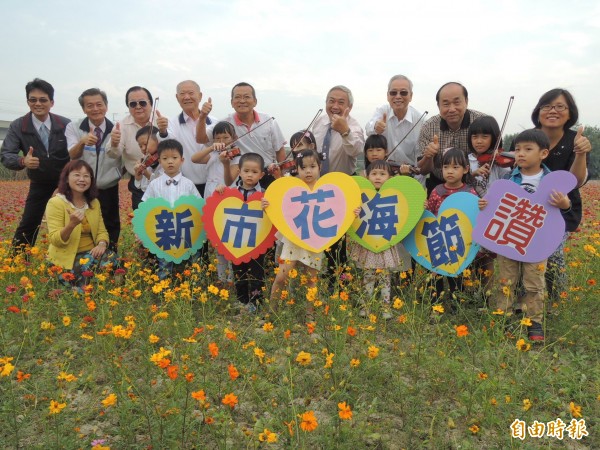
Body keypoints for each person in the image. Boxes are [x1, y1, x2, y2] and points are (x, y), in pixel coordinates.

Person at [480, 129, 572, 341]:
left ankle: (535, 321)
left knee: (534, 281)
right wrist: (485, 204)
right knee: (507, 279)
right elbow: (496, 203)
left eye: (528, 149)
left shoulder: (551, 179)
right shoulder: (507, 177)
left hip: (538, 241)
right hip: (510, 238)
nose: (520, 153)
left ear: (543, 154)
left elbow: (565, 206)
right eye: (518, 149)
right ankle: (504, 316)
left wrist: (564, 203)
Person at [527, 89, 592, 300]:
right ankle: (525, 296)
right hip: (528, 208)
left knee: (552, 254)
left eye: (560, 107)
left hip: (561, 208)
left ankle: (557, 300)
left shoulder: (577, 140)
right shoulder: (528, 138)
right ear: (538, 112)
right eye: (547, 106)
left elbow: (576, 181)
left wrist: (581, 153)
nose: (553, 111)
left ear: (569, 113)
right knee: (523, 253)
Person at [0, 78, 71, 249]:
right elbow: (6, 154)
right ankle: (19, 260)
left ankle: (78, 261)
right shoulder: (18, 125)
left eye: (43, 100)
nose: (38, 103)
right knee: (29, 222)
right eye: (33, 100)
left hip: (67, 181)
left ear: (51, 102)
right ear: (27, 101)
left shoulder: (65, 124)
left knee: (73, 220)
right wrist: (22, 160)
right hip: (39, 182)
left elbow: (78, 153)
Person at [312, 85, 365, 288]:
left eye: (340, 102)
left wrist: (345, 132)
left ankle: (338, 280)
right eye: (331, 101)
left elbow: (356, 150)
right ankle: (317, 276)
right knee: (317, 232)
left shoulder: (354, 126)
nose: (335, 106)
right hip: (317, 186)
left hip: (342, 187)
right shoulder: (318, 122)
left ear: (349, 106)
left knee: (337, 237)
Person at [263, 149, 326, 318]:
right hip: (293, 238)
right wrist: (267, 204)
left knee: (311, 279)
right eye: (303, 167)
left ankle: (309, 315)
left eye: (312, 166)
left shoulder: (326, 188)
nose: (308, 171)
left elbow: (340, 209)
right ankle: (272, 312)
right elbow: (277, 204)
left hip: (315, 238)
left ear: (320, 167)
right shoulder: (291, 187)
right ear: (296, 169)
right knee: (281, 276)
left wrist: (353, 211)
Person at [348, 160, 409, 319]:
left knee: (385, 277)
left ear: (389, 178)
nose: (378, 177)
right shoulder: (361, 195)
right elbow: (357, 216)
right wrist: (355, 212)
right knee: (367, 276)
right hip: (368, 242)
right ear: (366, 176)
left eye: (382, 174)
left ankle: (385, 307)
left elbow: (404, 212)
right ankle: (366, 306)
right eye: (374, 174)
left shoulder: (394, 195)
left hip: (385, 243)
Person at [196, 82, 286, 187]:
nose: (242, 101)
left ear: (255, 101)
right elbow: (201, 139)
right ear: (232, 102)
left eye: (247, 97)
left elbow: (280, 151)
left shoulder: (269, 121)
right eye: (237, 97)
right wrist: (202, 117)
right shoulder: (226, 123)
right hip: (241, 178)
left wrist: (282, 177)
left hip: (267, 174)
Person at [66, 88, 122, 249]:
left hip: (108, 185)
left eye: (99, 104)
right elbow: (72, 154)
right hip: (82, 187)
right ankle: (84, 258)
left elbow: (124, 157)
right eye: (89, 105)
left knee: (110, 222)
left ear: (106, 106)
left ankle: (110, 257)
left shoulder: (117, 129)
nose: (95, 109)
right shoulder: (74, 127)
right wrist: (82, 142)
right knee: (83, 221)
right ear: (84, 109)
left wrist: (116, 174)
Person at [46, 160, 115, 287]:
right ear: (67, 178)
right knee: (87, 271)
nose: (82, 179)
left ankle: (99, 288)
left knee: (111, 258)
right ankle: (78, 287)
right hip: (67, 258)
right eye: (77, 175)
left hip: (91, 253)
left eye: (86, 176)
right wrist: (71, 225)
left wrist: (101, 244)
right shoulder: (56, 203)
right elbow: (55, 240)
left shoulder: (93, 203)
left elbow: (102, 231)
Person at [141, 139, 203, 279]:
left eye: (174, 158)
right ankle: (163, 289)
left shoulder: (188, 184)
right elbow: (146, 207)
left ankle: (195, 287)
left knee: (194, 260)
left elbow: (199, 206)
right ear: (159, 161)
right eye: (165, 158)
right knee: (164, 261)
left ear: (182, 160)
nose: (170, 162)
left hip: (187, 230)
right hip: (165, 231)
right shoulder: (154, 185)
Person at [425, 147, 478, 303]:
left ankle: (457, 305)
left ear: (466, 169)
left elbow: (473, 216)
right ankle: (435, 305)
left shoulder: (470, 192)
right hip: (439, 240)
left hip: (459, 241)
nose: (450, 171)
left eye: (455, 167)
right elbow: (431, 213)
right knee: (437, 275)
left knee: (457, 274)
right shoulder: (437, 190)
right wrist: (425, 207)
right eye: (446, 167)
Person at [215, 153, 267, 313]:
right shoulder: (230, 192)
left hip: (256, 241)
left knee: (257, 272)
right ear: (239, 171)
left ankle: (257, 303)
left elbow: (272, 219)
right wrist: (220, 190)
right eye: (246, 171)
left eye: (254, 171)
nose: (250, 175)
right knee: (239, 271)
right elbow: (220, 208)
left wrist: (268, 206)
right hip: (236, 240)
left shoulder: (264, 194)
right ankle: (242, 300)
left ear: (261, 174)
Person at [192, 121, 241, 283]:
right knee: (217, 242)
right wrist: (211, 147)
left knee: (229, 238)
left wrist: (226, 162)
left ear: (234, 138)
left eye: (226, 137)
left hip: (227, 196)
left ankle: (231, 277)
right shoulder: (213, 153)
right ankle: (221, 277)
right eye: (217, 138)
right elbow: (194, 158)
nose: (222, 141)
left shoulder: (236, 157)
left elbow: (229, 180)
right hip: (210, 194)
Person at [466, 116, 510, 294]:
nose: (479, 141)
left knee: (487, 257)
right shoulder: (468, 160)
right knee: (471, 254)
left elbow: (508, 185)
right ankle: (469, 292)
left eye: (484, 136)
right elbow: (457, 178)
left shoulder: (500, 162)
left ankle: (486, 293)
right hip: (470, 212)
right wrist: (472, 172)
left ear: (495, 137)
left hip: (492, 213)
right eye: (475, 136)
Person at [418, 82, 486, 195]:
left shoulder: (482, 122)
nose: (452, 109)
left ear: (466, 101)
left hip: (476, 185)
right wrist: (428, 156)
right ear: (438, 106)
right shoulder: (428, 127)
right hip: (439, 186)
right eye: (446, 104)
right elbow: (423, 170)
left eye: (456, 102)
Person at [107, 86, 166, 208]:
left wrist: (164, 132)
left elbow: (174, 146)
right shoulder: (121, 126)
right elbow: (113, 154)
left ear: (151, 104)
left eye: (142, 103)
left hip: (164, 178)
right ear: (128, 107)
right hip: (139, 179)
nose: (138, 107)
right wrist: (114, 143)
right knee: (142, 219)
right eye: (133, 104)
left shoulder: (161, 121)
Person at [162, 80, 217, 197]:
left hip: (214, 184)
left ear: (200, 96)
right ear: (177, 98)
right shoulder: (172, 124)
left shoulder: (215, 122)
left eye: (191, 93)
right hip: (185, 186)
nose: (187, 97)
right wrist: (162, 131)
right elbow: (166, 143)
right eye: (182, 94)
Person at [365, 74, 424, 181]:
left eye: (403, 92)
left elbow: (419, 158)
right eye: (393, 92)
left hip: (409, 175)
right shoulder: (383, 110)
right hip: (383, 176)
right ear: (388, 96)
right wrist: (375, 126)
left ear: (411, 96)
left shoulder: (420, 120)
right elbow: (368, 128)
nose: (398, 96)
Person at [132, 126, 161, 202]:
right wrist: (138, 174)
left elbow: (163, 184)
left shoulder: (166, 159)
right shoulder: (146, 160)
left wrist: (147, 174)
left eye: (145, 144)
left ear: (158, 140)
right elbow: (142, 187)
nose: (143, 148)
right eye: (140, 146)